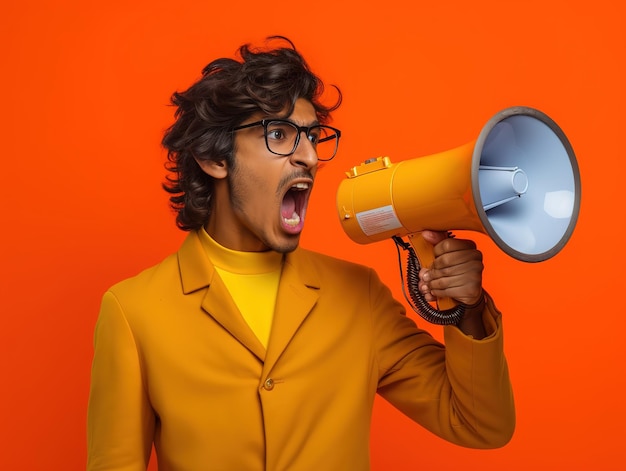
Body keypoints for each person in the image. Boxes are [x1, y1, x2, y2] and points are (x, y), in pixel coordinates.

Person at [87, 36, 515, 471]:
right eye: (279, 134)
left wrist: (467, 310)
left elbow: (481, 425)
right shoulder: (133, 312)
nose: (309, 156)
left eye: (313, 137)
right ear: (213, 158)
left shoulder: (359, 297)